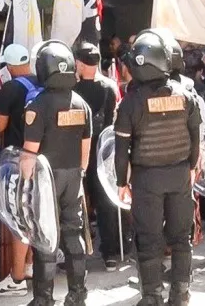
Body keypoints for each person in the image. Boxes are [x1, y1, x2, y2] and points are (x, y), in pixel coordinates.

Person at [115, 31, 201, 306]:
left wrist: (121, 182)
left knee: (149, 238)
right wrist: (190, 168)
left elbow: (121, 150)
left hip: (147, 178)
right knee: (180, 238)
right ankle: (180, 294)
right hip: (178, 175)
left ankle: (152, 295)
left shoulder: (130, 103)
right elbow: (194, 137)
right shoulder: (186, 96)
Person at [23, 40, 92, 306]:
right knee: (73, 235)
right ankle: (78, 294)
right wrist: (80, 175)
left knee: (45, 236)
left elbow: (30, 154)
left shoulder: (37, 107)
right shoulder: (81, 104)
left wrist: (24, 186)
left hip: (45, 179)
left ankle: (44, 298)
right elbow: (86, 147)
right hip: (74, 175)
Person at [0, 43, 38, 297]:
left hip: (18, 159)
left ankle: (17, 278)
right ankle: (30, 266)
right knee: (33, 214)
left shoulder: (10, 88)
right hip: (42, 160)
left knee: (18, 217)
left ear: (8, 67)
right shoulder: (44, 83)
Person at [73, 41, 124, 271]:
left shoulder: (73, 90)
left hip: (78, 149)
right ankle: (110, 253)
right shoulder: (110, 87)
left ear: (79, 64)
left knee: (77, 201)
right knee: (106, 202)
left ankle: (78, 254)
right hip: (105, 149)